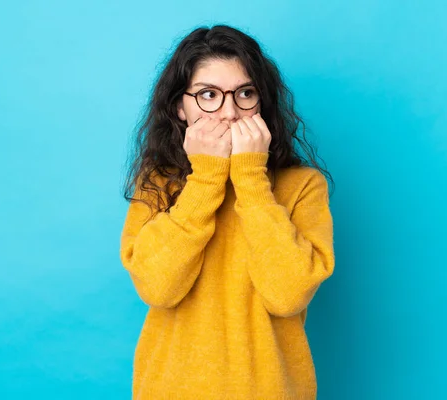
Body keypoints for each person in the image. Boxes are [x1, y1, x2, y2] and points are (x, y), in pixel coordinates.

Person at [119, 24, 335, 399]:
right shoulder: (157, 184)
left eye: (245, 93)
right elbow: (157, 287)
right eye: (208, 95)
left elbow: (287, 295)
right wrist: (206, 180)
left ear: (262, 103)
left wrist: (251, 179)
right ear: (179, 107)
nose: (230, 112)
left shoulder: (303, 186)